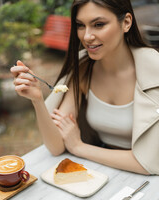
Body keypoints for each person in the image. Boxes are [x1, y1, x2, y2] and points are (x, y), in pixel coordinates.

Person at [10, 0, 159, 175]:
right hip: (103, 173)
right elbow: (56, 146)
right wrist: (37, 100)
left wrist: (80, 147)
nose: (87, 36)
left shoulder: (152, 72)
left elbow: (149, 163)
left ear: (126, 22)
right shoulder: (83, 68)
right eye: (81, 25)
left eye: (99, 24)